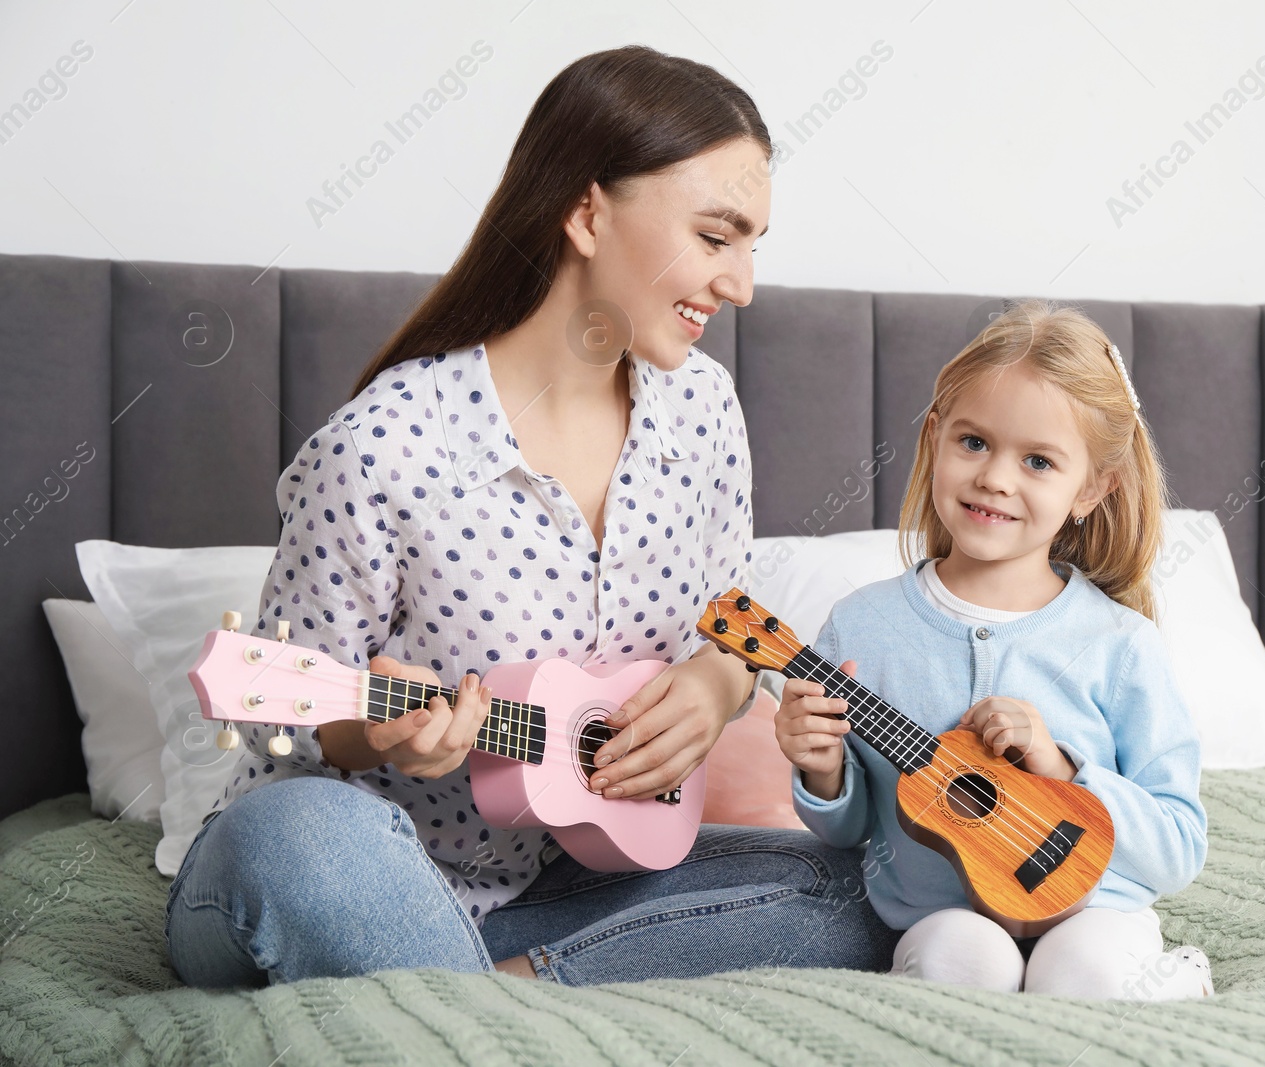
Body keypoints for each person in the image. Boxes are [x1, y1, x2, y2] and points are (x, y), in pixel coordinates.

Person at [165, 44, 896, 988]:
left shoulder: (705, 412)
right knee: (297, 834)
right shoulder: (385, 444)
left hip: (559, 886)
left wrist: (716, 692)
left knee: (870, 887)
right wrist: (384, 736)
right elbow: (297, 726)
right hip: (345, 868)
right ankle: (516, 997)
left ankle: (504, 990)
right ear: (587, 212)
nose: (742, 283)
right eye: (717, 238)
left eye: (754, 245)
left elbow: (729, 626)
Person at [775, 301, 1214, 999]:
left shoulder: (1120, 644)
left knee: (1083, 975)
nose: (996, 478)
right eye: (974, 442)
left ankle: (1172, 979)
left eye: (1038, 460)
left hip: (1093, 906)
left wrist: (1065, 768)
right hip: (942, 912)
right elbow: (855, 828)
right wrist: (822, 770)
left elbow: (1179, 841)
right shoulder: (862, 629)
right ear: (934, 438)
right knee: (958, 967)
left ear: (1092, 488)